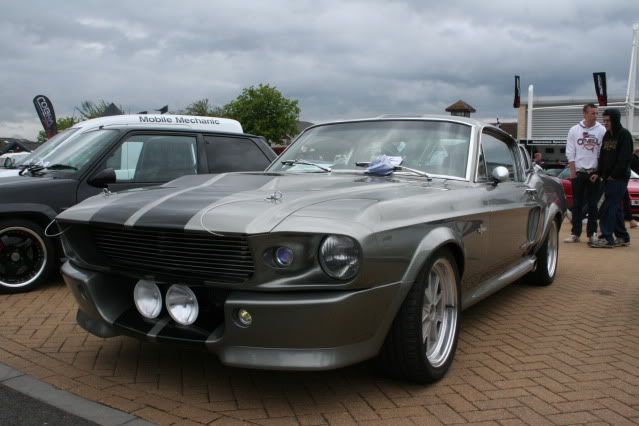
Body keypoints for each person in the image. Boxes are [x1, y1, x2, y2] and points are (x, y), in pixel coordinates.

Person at [588, 108, 633, 248]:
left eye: (608, 120)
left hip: (619, 178)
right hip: (608, 178)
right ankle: (622, 237)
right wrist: (598, 173)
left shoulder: (624, 135)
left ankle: (606, 238)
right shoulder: (607, 135)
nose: (605, 123)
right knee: (616, 208)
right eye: (604, 120)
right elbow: (603, 157)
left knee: (608, 207)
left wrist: (614, 175)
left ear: (615, 120)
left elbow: (624, 158)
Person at [564, 103, 606, 243]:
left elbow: (602, 153)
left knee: (593, 205)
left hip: (594, 172)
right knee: (577, 204)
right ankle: (575, 233)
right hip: (579, 172)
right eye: (593, 113)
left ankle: (592, 234)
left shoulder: (601, 130)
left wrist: (599, 172)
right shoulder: (574, 130)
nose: (595, 116)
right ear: (585, 114)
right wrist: (573, 172)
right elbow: (570, 151)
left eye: (597, 113)